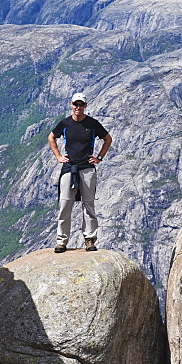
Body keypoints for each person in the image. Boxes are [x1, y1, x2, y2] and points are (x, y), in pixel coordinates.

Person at [47, 92, 112, 253]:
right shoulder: (65, 123)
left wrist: (99, 157)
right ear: (71, 105)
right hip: (69, 168)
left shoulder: (92, 124)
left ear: (85, 106)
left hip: (87, 168)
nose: (78, 107)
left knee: (88, 204)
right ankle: (62, 241)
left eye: (81, 105)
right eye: (76, 104)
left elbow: (108, 139)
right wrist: (58, 156)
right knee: (65, 204)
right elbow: (51, 137)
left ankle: (90, 240)